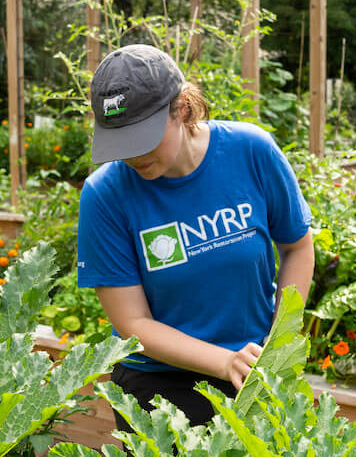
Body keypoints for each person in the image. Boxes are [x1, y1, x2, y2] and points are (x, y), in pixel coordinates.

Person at [76, 43, 314, 429]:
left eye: (142, 138)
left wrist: (279, 341)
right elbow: (133, 323)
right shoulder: (105, 195)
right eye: (121, 143)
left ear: (182, 107)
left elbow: (297, 247)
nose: (133, 157)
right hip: (157, 388)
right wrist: (224, 361)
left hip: (255, 374)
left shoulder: (251, 151)